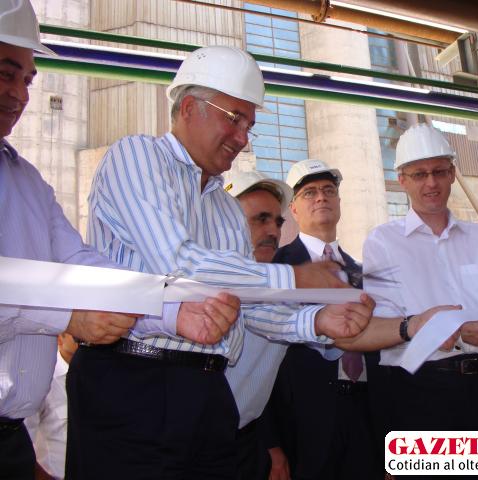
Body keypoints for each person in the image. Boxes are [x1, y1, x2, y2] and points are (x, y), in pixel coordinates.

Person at [69, 45, 375, 479]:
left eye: (249, 125)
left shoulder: (227, 210)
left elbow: (245, 305)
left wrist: (316, 321)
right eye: (234, 118)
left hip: (209, 388)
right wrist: (293, 278)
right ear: (188, 107)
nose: (242, 137)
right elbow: (177, 263)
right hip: (130, 381)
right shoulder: (136, 156)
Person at [0, 3, 240, 479]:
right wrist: (70, 317)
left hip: (11, 436)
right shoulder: (134, 157)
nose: (21, 94)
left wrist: (171, 310)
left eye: (28, 79)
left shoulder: (27, 181)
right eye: (8, 74)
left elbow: (81, 263)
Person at [363, 124, 478, 479]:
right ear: (402, 180)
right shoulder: (383, 242)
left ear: (453, 173)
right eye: (420, 174)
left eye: (440, 171)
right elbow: (387, 327)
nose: (431, 183)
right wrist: (458, 332)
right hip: (422, 393)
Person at [263, 159, 379, 480]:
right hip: (302, 424)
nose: (321, 198)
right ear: (294, 209)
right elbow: (258, 359)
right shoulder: (277, 267)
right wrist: (269, 442)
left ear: (339, 202)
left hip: (364, 418)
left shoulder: (360, 273)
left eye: (328, 190)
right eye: (309, 192)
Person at [224, 170, 293, 479]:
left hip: (245, 447)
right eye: (260, 219)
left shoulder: (285, 291)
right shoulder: (189, 282)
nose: (273, 231)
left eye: (277, 222)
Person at [25, 334, 78, 480]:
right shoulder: (42, 378)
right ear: (60, 337)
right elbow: (22, 441)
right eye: (77, 337)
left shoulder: (98, 376)